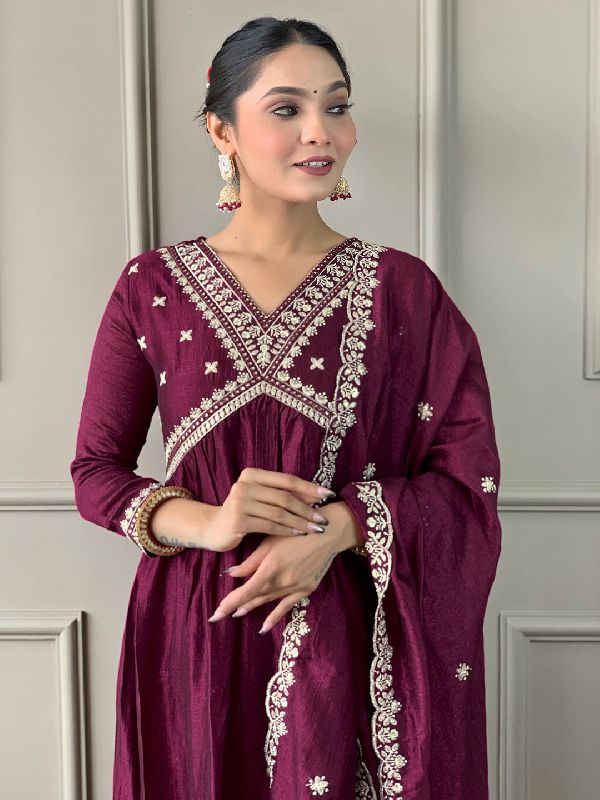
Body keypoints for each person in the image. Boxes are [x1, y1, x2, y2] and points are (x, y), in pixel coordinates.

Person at [70, 15, 502, 800]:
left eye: (336, 106)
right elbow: (95, 472)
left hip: (349, 638)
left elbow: (465, 479)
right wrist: (209, 523)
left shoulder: (404, 291)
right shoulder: (151, 288)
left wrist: (343, 527)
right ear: (222, 130)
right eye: (286, 108)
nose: (320, 131)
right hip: (197, 633)